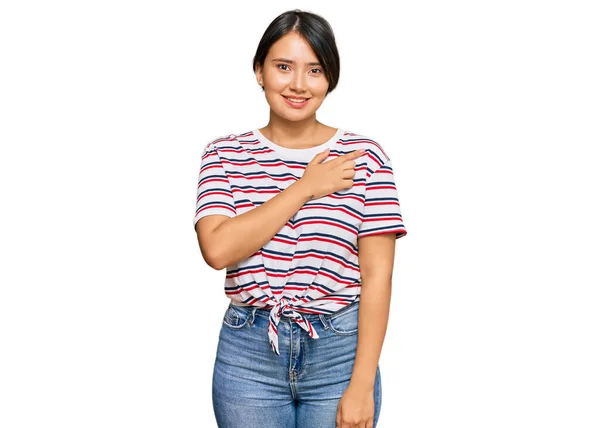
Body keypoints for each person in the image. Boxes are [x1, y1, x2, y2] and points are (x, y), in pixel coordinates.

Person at [193, 9, 407, 428]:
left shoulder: (364, 157)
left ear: (330, 78)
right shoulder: (224, 154)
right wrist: (305, 187)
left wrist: (362, 384)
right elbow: (217, 249)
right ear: (259, 71)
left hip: (340, 351)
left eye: (314, 70)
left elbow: (377, 277)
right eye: (283, 66)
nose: (298, 84)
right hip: (248, 354)